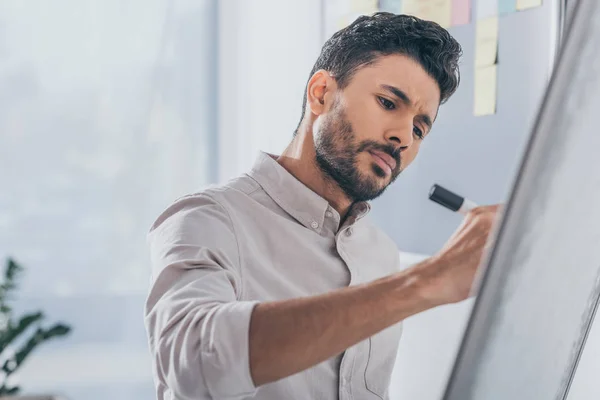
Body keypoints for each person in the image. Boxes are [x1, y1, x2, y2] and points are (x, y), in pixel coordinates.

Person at [144, 12, 500, 400]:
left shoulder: (380, 253)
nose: (403, 137)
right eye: (387, 102)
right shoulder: (207, 218)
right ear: (321, 94)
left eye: (419, 128)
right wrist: (428, 281)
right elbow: (191, 363)